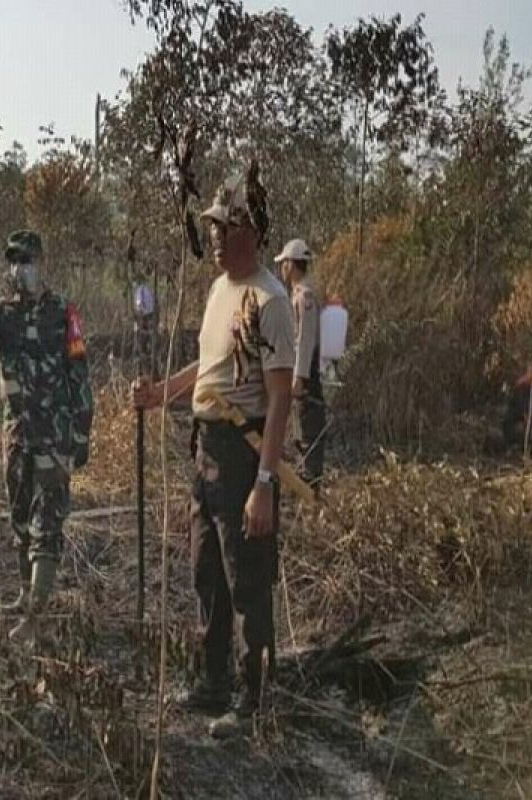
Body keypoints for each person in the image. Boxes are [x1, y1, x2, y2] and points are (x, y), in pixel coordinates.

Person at [132, 170, 294, 735]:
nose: (217, 238)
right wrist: (162, 395)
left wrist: (265, 484)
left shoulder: (271, 301)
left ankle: (252, 702)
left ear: (253, 231)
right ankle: (214, 681)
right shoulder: (218, 290)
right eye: (213, 228)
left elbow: (279, 399)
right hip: (205, 447)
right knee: (208, 569)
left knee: (245, 575)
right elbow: (209, 368)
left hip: (243, 450)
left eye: (227, 228)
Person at [0, 230, 94, 643]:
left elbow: (80, 374)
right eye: (13, 261)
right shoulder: (4, 311)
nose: (18, 269)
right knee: (21, 518)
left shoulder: (64, 313)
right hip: (18, 434)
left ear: (40, 262)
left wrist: (82, 433)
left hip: (54, 434)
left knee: (48, 523)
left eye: (25, 260)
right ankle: (26, 597)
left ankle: (37, 616)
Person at [275, 238, 327, 486]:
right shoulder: (298, 293)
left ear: (292, 264)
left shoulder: (304, 296)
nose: (282, 268)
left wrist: (299, 377)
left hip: (307, 374)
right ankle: (306, 475)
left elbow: (305, 341)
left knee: (309, 423)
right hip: (301, 371)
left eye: (284, 263)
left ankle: (311, 480)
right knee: (300, 424)